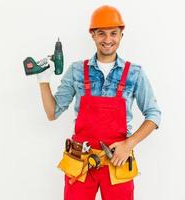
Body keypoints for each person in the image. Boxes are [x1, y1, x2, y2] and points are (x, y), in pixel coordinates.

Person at [37, 5, 161, 200]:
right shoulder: (77, 70)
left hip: (117, 162)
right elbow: (52, 113)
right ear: (93, 35)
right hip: (81, 162)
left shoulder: (134, 73)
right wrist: (43, 81)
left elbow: (154, 114)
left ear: (121, 35)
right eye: (101, 33)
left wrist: (129, 144)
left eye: (113, 33)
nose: (108, 40)